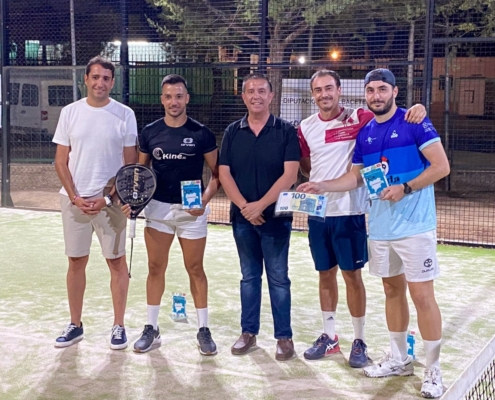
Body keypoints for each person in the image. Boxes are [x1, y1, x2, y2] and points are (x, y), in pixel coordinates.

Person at [299, 68, 449, 399]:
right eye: (370, 91)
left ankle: (434, 369)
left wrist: (405, 188)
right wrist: (322, 185)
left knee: (422, 297)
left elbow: (441, 166)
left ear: (395, 92)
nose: (376, 95)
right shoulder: (365, 132)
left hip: (415, 227)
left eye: (382, 89)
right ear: (364, 95)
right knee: (392, 292)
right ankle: (399, 359)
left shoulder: (414, 123)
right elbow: (354, 178)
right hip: (380, 228)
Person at [125, 74, 220, 356]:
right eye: (168, 96)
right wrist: (135, 201)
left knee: (195, 269)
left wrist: (203, 201)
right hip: (158, 210)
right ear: (162, 99)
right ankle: (151, 329)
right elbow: (140, 175)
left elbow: (217, 175)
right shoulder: (151, 132)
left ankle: (203, 329)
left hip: (191, 212)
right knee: (156, 269)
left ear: (187, 98)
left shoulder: (202, 133)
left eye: (179, 96)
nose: (173, 101)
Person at [53, 56, 138, 350]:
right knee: (76, 262)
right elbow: (61, 161)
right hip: (73, 203)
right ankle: (75, 325)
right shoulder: (69, 112)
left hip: (110, 205)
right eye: (95, 77)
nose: (100, 83)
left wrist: (106, 198)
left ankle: (118, 326)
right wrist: (76, 197)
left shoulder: (125, 114)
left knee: (116, 263)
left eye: (106, 78)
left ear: (112, 83)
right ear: (86, 80)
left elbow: (129, 167)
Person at [219, 73, 300, 361]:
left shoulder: (286, 131)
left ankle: (284, 337)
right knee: (249, 277)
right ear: (243, 97)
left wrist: (260, 206)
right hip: (242, 220)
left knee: (278, 279)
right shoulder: (232, 132)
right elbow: (224, 173)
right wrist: (245, 207)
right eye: (250, 91)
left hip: (276, 219)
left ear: (271, 95)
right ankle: (248, 332)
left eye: (261, 91)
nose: (256, 96)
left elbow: (290, 174)